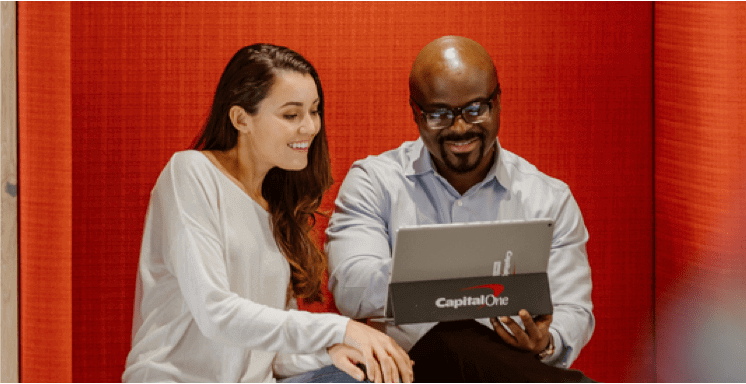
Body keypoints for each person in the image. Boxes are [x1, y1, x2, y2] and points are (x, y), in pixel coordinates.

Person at [123, 44, 414, 383]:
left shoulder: (277, 207)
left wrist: (329, 351)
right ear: (240, 119)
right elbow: (216, 314)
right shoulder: (190, 173)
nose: (310, 127)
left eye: (314, 111)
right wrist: (340, 327)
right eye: (291, 115)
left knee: (367, 374)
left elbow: (270, 348)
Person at [326, 36, 595, 382]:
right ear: (415, 112)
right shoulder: (374, 181)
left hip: (512, 370)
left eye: (475, 109)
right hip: (410, 373)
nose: (459, 127)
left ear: (497, 102)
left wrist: (546, 341)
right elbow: (350, 287)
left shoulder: (549, 198)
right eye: (439, 114)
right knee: (451, 339)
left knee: (466, 342)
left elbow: (574, 310)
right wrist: (438, 274)